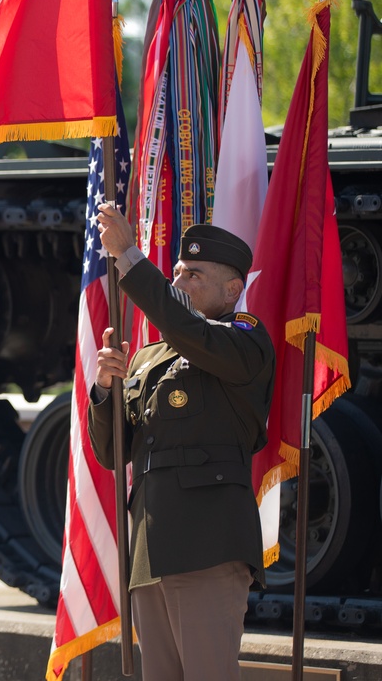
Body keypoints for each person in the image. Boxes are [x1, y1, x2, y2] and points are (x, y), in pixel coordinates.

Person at [89, 204, 275, 681]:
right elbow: (114, 454)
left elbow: (187, 329)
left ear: (232, 289)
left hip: (207, 543)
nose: (179, 282)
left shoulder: (245, 340)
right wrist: (106, 389)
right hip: (151, 547)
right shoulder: (150, 357)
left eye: (194, 274)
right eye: (176, 272)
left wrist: (128, 255)